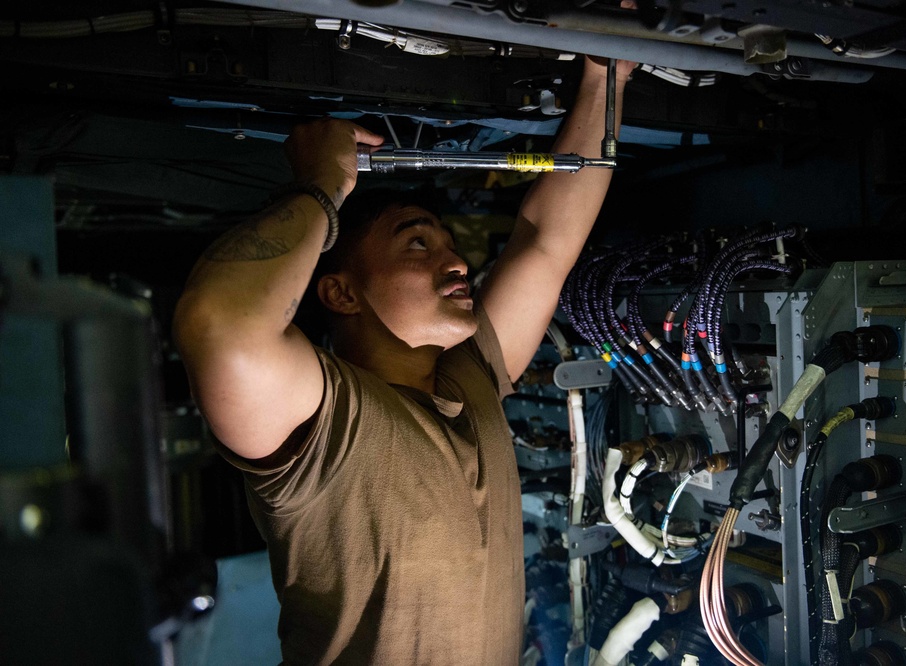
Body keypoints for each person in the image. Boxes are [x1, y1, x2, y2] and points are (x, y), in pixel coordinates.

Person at [172, 54, 635, 665]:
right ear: (340, 291)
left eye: (449, 243)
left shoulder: (471, 376)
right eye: (418, 242)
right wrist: (322, 186)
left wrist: (608, 75)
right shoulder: (323, 421)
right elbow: (219, 325)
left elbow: (547, 240)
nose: (458, 262)